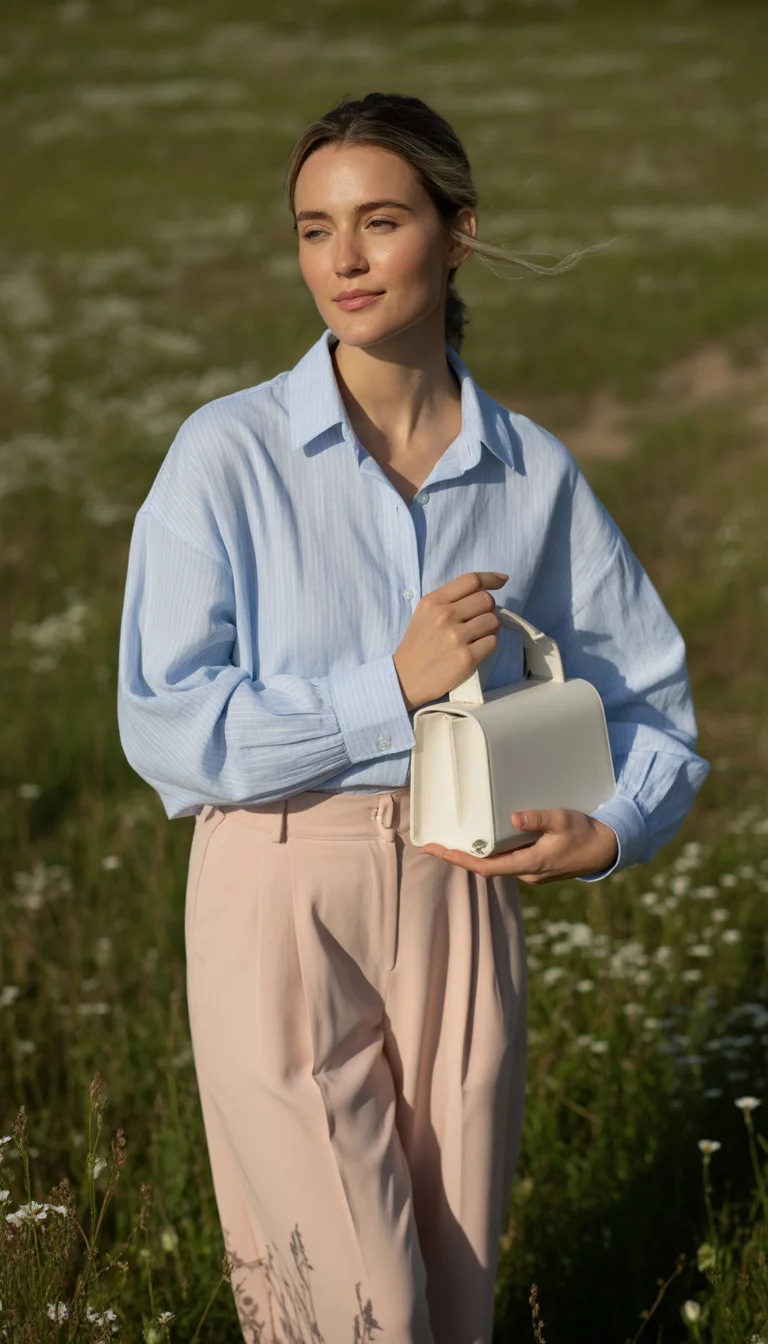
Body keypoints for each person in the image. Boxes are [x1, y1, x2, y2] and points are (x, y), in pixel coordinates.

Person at [116, 92, 709, 1344]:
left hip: (469, 886)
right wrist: (385, 685)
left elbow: (653, 704)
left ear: (458, 235)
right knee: (356, 1311)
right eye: (312, 229)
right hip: (279, 887)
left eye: (378, 222)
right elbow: (164, 722)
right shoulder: (226, 454)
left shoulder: (532, 470)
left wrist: (610, 835)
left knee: (450, 1299)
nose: (341, 259)